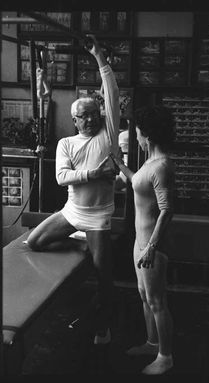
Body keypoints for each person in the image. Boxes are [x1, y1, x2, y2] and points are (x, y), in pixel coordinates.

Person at [26, 34, 120, 344]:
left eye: (96, 113)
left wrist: (98, 56)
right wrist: (97, 172)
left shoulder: (108, 134)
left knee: (104, 277)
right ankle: (80, 241)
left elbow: (112, 93)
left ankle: (104, 325)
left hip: (98, 218)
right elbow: (62, 178)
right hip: (71, 212)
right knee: (35, 242)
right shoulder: (66, 143)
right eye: (85, 115)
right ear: (74, 119)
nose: (91, 118)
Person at [109, 105, 175, 375]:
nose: (135, 137)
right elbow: (138, 181)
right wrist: (120, 165)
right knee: (145, 296)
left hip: (152, 246)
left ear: (146, 135)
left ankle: (165, 356)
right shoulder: (150, 163)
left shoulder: (161, 166)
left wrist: (151, 247)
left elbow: (167, 210)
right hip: (141, 242)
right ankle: (152, 343)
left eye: (136, 133)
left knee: (157, 300)